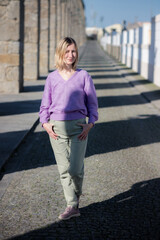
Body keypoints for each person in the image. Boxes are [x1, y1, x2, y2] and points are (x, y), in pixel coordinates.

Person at [39, 37, 98, 220]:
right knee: (64, 170)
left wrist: (90, 123)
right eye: (67, 51)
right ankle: (72, 205)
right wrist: (45, 123)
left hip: (78, 128)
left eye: (73, 51)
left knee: (75, 170)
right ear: (60, 53)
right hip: (56, 130)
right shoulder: (52, 77)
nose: (70, 55)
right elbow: (44, 105)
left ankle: (76, 193)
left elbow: (92, 103)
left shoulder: (83, 76)